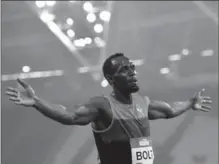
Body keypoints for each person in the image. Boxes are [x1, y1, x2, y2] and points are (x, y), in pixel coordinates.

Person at [5, 53, 212, 164]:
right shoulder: (102, 105)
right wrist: (37, 102)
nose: (132, 72)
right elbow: (69, 115)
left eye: (132, 67)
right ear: (111, 79)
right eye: (125, 69)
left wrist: (189, 104)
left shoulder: (143, 103)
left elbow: (169, 110)